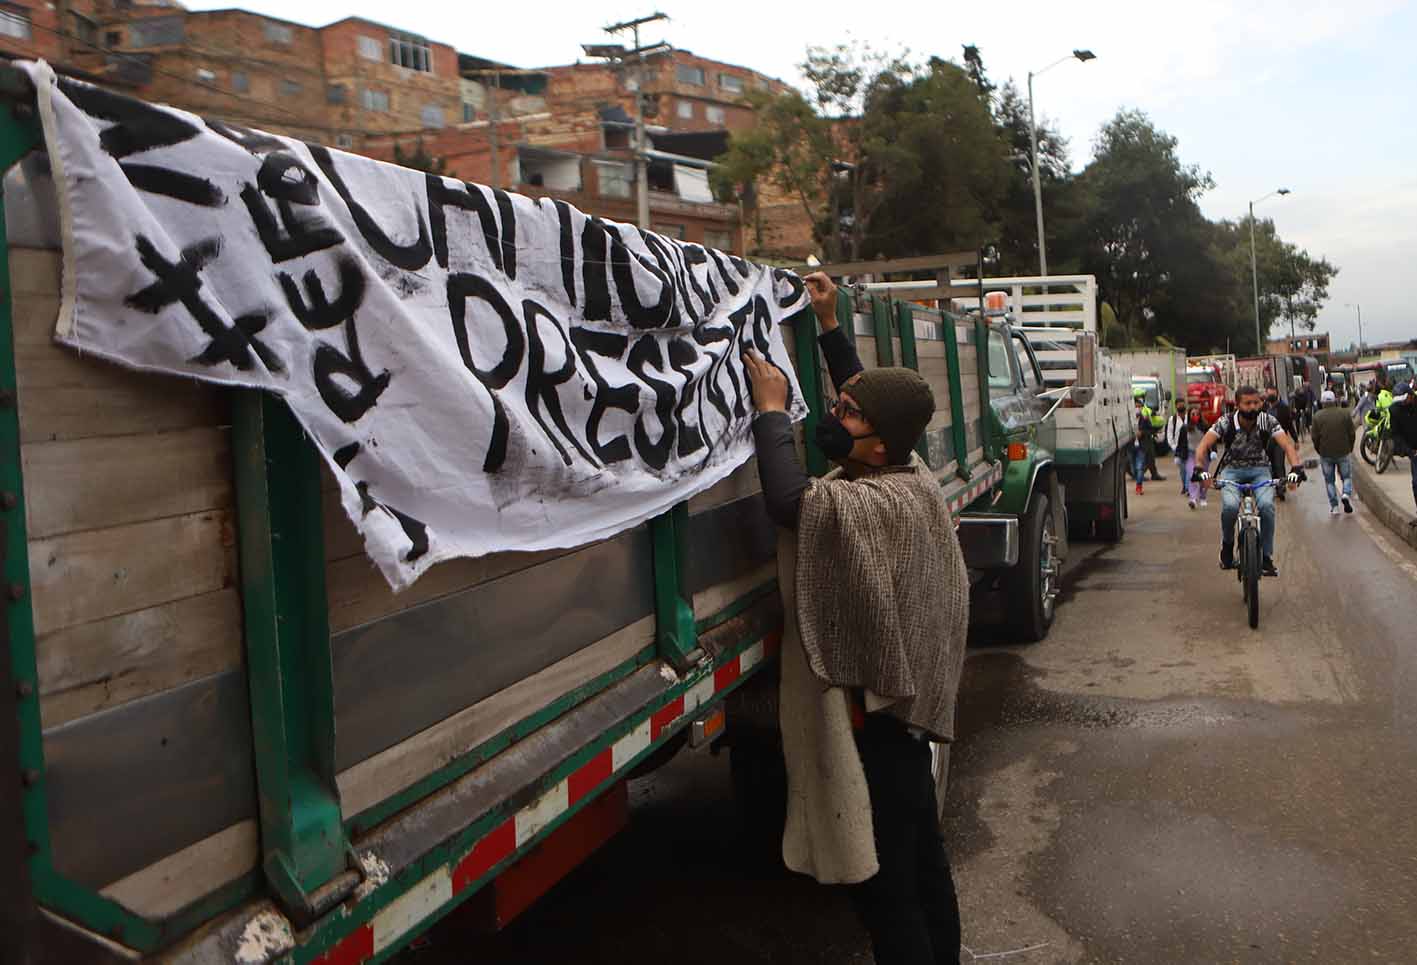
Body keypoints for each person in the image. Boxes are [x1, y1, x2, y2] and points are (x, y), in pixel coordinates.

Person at [743, 271, 968, 965]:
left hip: (885, 733)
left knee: (888, 892)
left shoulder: (874, 503)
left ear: (876, 445)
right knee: (924, 862)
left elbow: (789, 502)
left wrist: (770, 412)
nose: (833, 415)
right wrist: (829, 323)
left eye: (846, 413)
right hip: (906, 727)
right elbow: (872, 402)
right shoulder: (909, 470)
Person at [1192, 386, 1307, 577]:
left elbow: (1287, 445)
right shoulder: (1226, 422)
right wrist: (1199, 468)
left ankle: (1266, 557)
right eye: (1247, 403)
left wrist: (1296, 468)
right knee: (1230, 507)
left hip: (1260, 470)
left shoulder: (1267, 421)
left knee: (1267, 506)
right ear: (1237, 405)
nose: (1253, 407)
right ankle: (1227, 546)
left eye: (1256, 402)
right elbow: (1203, 445)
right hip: (1231, 471)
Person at [1310, 389, 1355, 515]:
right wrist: (1350, 447)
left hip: (1326, 453)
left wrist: (1319, 450)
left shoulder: (1317, 416)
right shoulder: (1345, 413)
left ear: (1322, 402)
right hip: (1343, 450)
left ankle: (1334, 507)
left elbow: (1314, 437)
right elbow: (1352, 433)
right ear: (1335, 400)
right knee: (1346, 476)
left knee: (1329, 481)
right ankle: (1346, 493)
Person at [1165, 400, 1202, 508]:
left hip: (1189, 449)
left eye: (1182, 404)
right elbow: (1169, 434)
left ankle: (1188, 490)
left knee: (1189, 470)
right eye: (1179, 405)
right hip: (1179, 449)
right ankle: (1185, 486)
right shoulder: (1173, 419)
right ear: (1176, 406)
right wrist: (1174, 447)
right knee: (1183, 471)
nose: (1181, 406)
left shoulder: (1189, 418)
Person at [1264, 389, 1297, 501]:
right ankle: (1274, 485)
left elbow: (1289, 424)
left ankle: (1281, 488)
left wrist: (1295, 439)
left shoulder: (1283, 408)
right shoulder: (1264, 407)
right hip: (1267, 441)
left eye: (1272, 394)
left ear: (1277, 394)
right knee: (1270, 465)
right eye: (1268, 393)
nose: (1270, 395)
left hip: (1280, 440)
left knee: (1279, 464)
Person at [1390, 381, 1417, 511]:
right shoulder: (1395, 410)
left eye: (1405, 399)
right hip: (1414, 451)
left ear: (1410, 396)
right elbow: (1396, 434)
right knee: (1416, 483)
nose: (1403, 402)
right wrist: (1408, 451)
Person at [1132, 396, 1150, 495]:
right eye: (1136, 406)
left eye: (1139, 407)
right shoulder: (1128, 419)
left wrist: (1142, 433)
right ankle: (1138, 481)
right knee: (1134, 468)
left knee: (1139, 467)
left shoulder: (1145, 419)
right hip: (1131, 447)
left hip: (1141, 447)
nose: (1137, 408)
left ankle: (1139, 486)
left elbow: (1150, 430)